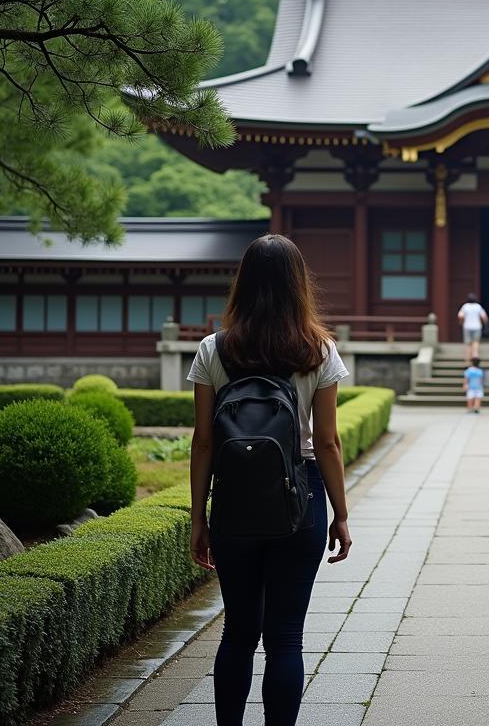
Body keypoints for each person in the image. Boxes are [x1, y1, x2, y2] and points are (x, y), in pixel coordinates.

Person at [188, 235, 352, 726]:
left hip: (235, 501)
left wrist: (200, 519)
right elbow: (327, 442)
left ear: (245, 282)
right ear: (297, 285)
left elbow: (203, 443)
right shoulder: (317, 348)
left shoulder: (213, 349)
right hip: (299, 496)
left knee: (238, 632)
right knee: (285, 636)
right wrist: (340, 515)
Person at [458, 292, 489, 359]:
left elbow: (460, 316)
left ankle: (467, 359)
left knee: (468, 344)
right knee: (476, 342)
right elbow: (484, 317)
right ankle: (475, 356)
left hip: (467, 326)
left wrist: (461, 322)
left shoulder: (465, 306)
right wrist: (485, 324)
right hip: (477, 326)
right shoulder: (478, 306)